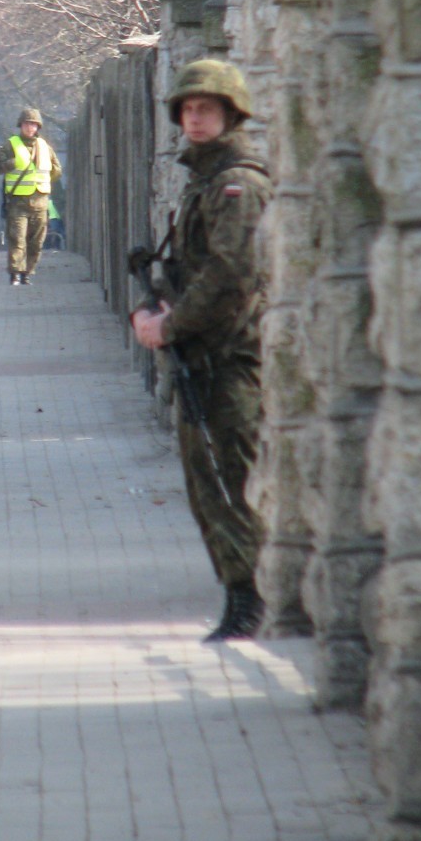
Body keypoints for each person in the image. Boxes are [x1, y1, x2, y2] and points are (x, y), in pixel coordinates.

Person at [131, 59, 272, 642]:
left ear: (230, 113)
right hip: (201, 358)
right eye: (188, 109)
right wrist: (157, 307)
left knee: (230, 482)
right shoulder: (206, 182)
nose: (195, 117)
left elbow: (231, 275)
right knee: (207, 483)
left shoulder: (237, 186)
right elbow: (195, 273)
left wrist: (170, 327)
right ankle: (240, 594)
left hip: (229, 360)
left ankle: (251, 601)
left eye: (206, 108)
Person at [0, 107, 62, 286]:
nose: (30, 128)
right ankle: (15, 273)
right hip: (17, 202)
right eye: (27, 124)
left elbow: (57, 169)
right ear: (21, 125)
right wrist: (11, 163)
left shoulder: (45, 147)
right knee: (17, 239)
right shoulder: (11, 145)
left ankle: (27, 273)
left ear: (38, 127)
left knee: (36, 242)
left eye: (34, 125)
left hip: (40, 202)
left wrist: (44, 182)